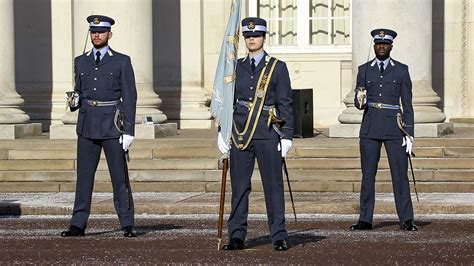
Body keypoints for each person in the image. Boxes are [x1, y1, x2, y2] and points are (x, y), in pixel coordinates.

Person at [217, 17, 294, 251]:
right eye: (248, 36)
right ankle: (237, 235)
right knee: (239, 187)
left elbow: (285, 103)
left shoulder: (277, 67)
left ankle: (278, 235)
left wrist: (287, 135)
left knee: (273, 186)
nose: (252, 39)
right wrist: (222, 131)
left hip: (267, 132)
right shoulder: (235, 66)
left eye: (256, 36)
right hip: (240, 132)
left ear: (263, 37)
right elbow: (226, 102)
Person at [61, 15, 137, 237]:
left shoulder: (121, 61)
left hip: (112, 126)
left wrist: (129, 130)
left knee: (119, 178)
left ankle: (127, 222)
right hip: (87, 125)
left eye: (101, 32)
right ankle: (78, 223)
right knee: (84, 178)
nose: (96, 35)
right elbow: (79, 92)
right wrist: (74, 102)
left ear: (109, 34)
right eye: (93, 32)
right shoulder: (80, 61)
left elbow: (130, 97)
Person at [351, 28, 417, 231]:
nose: (381, 47)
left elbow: (407, 103)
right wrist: (359, 99)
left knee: (399, 175)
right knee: (368, 175)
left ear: (391, 46)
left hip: (394, 128)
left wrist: (410, 132)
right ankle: (365, 219)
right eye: (378, 44)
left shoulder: (401, 70)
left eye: (385, 44)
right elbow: (359, 102)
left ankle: (406, 219)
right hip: (370, 126)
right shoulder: (364, 69)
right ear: (374, 46)